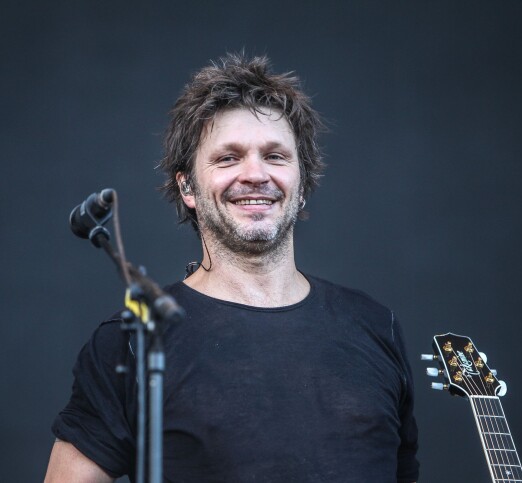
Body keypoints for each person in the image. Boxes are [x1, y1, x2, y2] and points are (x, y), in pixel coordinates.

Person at [45, 53, 419, 483]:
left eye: (275, 156)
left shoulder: (375, 326)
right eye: (228, 158)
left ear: (302, 184)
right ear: (187, 187)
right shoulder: (133, 341)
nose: (255, 174)